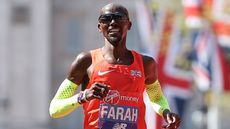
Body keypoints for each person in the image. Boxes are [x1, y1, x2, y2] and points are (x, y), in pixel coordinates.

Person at [49, 3, 181, 129]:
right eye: (106, 18)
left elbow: (156, 97)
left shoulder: (146, 64)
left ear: (129, 24)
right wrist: (84, 96)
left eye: (119, 17)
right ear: (100, 27)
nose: (112, 22)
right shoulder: (86, 61)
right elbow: (54, 109)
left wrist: (166, 112)